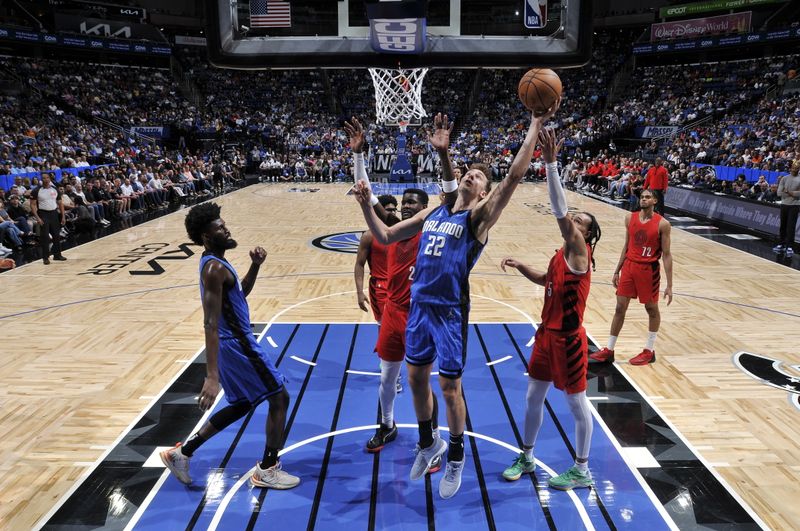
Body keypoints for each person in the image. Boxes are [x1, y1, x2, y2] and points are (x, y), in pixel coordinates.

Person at [352, 103, 559, 499]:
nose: (472, 176)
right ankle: (430, 444)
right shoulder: (434, 213)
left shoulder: (478, 220)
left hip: (448, 312)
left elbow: (514, 176)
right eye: (469, 171)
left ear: (483, 192)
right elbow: (385, 236)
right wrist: (364, 202)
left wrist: (534, 125)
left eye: (479, 176)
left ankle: (457, 456)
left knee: (449, 388)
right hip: (418, 308)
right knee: (414, 378)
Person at [160, 202, 300, 490]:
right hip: (237, 345)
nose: (226, 229)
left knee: (243, 402)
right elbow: (209, 322)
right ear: (206, 236)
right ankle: (268, 469)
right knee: (279, 397)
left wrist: (255, 266)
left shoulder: (216, 262)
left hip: (231, 346)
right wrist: (212, 376)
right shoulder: (213, 267)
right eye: (219, 228)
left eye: (224, 224)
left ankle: (181, 453)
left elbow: (239, 294)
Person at [500, 127, 601, 490]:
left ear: (586, 235)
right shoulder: (561, 254)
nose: (573, 221)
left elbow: (559, 211)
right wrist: (520, 266)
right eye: (574, 219)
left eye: (579, 222)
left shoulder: (579, 251)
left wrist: (552, 164)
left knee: (576, 404)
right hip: (545, 336)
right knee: (532, 396)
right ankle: (526, 456)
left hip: (569, 340)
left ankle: (582, 468)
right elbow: (546, 279)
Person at [590, 189, 673, 365]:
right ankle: (609, 350)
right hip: (629, 266)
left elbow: (666, 255)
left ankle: (649, 351)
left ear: (655, 201)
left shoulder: (663, 224)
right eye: (642, 197)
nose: (643, 199)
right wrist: (617, 270)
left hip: (648, 270)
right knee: (620, 308)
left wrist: (670, 285)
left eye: (648, 197)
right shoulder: (630, 218)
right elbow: (626, 245)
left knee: (651, 309)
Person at [354, 195, 397, 324]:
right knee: (384, 325)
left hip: (400, 284)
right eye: (389, 210)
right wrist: (359, 292)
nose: (393, 213)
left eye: (395, 209)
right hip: (380, 286)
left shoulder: (402, 231)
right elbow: (359, 264)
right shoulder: (369, 236)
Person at [29, 173, 67, 264]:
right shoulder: (36, 190)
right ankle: (45, 257)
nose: (45, 179)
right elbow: (32, 205)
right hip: (43, 214)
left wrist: (63, 216)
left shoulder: (55, 189)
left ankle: (57, 255)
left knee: (56, 235)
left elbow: (60, 203)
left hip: (54, 213)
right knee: (45, 237)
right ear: (41, 180)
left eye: (47, 178)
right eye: (43, 178)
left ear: (50, 179)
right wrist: (37, 218)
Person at [774, 161, 800, 255]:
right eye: (793, 168)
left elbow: (799, 194)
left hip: (795, 206)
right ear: (790, 168)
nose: (795, 169)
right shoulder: (784, 178)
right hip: (784, 204)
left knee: (791, 227)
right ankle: (781, 244)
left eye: (797, 168)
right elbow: (779, 193)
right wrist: (794, 193)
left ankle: (789, 246)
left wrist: (788, 192)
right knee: (783, 226)